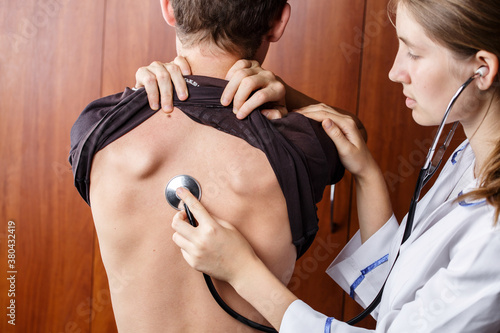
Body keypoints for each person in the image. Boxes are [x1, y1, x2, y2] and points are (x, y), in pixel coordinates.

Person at [149, 0, 500, 331]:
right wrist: (366, 172)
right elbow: (395, 292)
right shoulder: (471, 157)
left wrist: (241, 271)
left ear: (482, 69)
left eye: (413, 52)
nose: (395, 72)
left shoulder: (493, 238)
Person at [68, 0, 352, 332]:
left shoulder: (99, 128)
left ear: (169, 9)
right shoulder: (302, 143)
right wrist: (285, 92)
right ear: (279, 22)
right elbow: (352, 133)